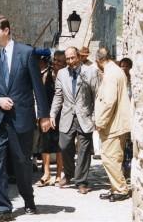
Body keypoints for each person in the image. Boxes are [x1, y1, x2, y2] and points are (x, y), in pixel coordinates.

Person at [0, 15, 49, 221]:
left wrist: (44, 116)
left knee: (22, 162)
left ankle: (28, 200)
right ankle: (4, 208)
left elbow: (38, 86)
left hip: (21, 118)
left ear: (7, 30)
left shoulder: (26, 53)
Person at [50, 46, 99, 194]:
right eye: (68, 59)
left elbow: (96, 95)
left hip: (85, 116)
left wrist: (96, 117)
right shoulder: (62, 74)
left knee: (84, 150)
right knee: (64, 146)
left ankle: (81, 182)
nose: (70, 61)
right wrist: (52, 114)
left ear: (78, 57)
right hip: (67, 116)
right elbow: (58, 95)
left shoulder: (90, 72)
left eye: (73, 58)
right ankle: (69, 174)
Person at [95, 47, 132, 202]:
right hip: (116, 123)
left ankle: (121, 189)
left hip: (113, 125)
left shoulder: (111, 74)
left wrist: (100, 122)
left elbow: (109, 101)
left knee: (110, 158)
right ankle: (115, 187)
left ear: (99, 60)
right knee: (113, 157)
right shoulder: (116, 71)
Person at [35, 51, 66, 187]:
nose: (56, 63)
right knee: (45, 143)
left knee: (60, 144)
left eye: (60, 61)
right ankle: (46, 173)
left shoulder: (66, 75)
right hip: (47, 114)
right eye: (55, 60)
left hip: (62, 114)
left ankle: (59, 173)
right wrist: (41, 115)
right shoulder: (45, 74)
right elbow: (40, 95)